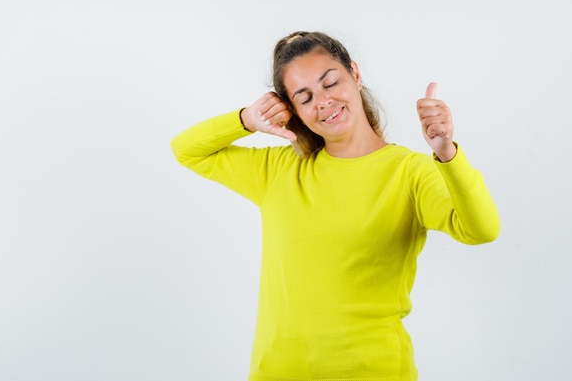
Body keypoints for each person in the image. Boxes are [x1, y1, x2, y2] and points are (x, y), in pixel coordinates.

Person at [171, 31, 500, 381]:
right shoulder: (279, 170)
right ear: (292, 110)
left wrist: (447, 153)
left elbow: (481, 229)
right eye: (304, 97)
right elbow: (187, 150)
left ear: (355, 74)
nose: (323, 101)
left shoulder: (410, 172)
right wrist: (247, 120)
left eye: (330, 82)